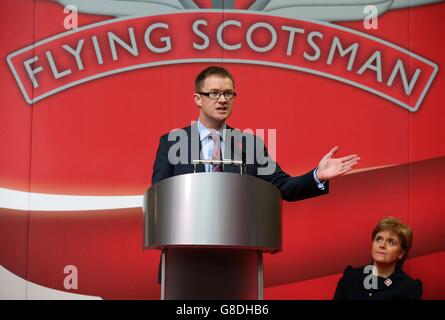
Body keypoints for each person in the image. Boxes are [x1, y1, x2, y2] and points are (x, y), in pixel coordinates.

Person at [152, 66, 360, 200]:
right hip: (184, 247)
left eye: (228, 93)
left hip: (237, 246)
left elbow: (283, 187)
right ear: (198, 99)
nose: (223, 99)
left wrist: (318, 175)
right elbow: (159, 198)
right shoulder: (173, 142)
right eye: (214, 93)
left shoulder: (250, 146)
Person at [333, 217, 422, 300]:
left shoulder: (409, 288)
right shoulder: (351, 277)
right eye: (379, 239)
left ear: (401, 253)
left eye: (391, 242)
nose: (382, 245)